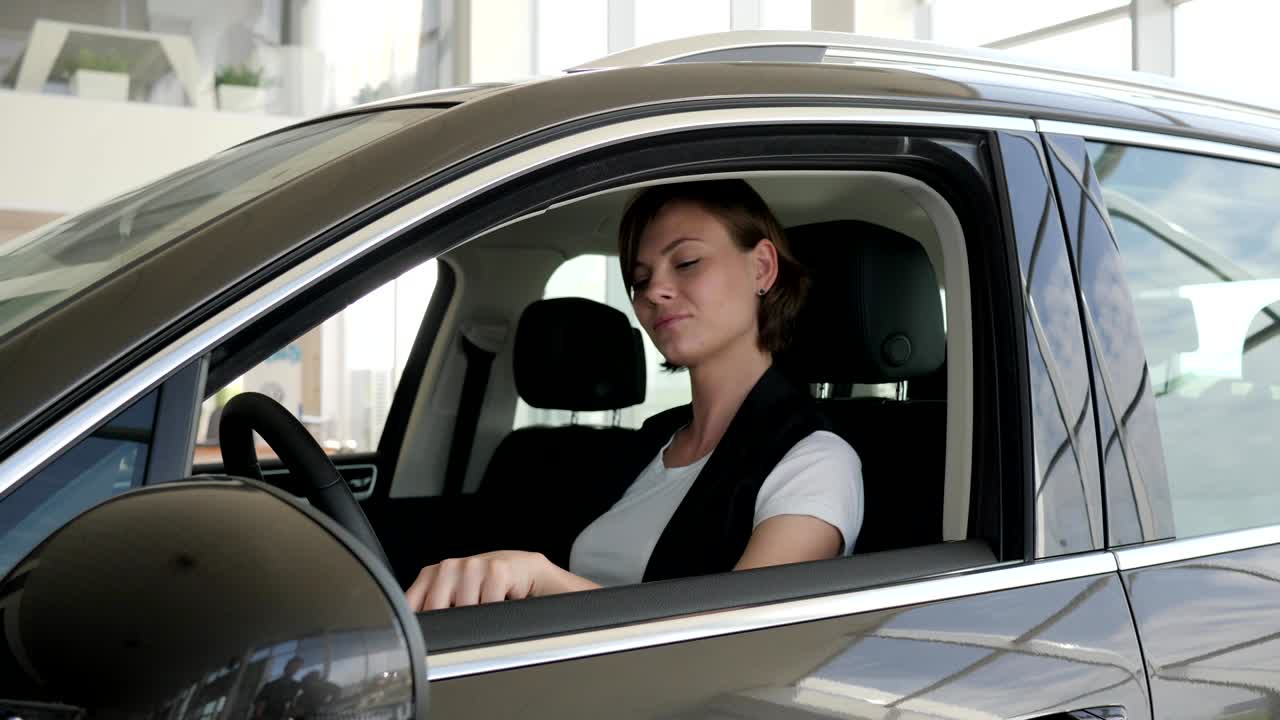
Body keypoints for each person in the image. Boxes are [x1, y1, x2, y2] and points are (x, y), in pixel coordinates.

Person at [406, 179, 863, 612]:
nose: (654, 292)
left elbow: (739, 638)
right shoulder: (644, 444)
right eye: (640, 279)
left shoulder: (815, 462)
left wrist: (543, 581)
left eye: (686, 262)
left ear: (761, 267)